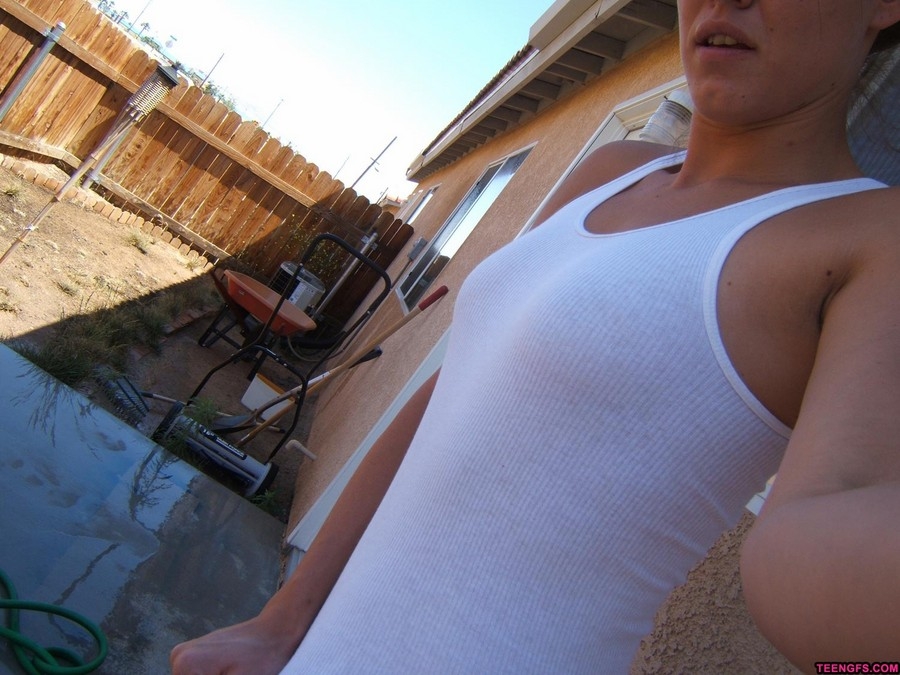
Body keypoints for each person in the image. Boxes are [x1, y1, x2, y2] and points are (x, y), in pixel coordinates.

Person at [171, 1, 900, 672]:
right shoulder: (611, 171)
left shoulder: (872, 240)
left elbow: (828, 517)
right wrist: (282, 622)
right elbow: (448, 396)